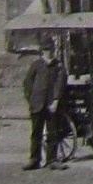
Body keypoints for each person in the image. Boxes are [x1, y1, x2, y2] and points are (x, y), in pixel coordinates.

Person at [23, 38, 68, 170]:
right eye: (46, 50)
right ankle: (34, 159)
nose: (49, 52)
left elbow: (60, 84)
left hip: (51, 105)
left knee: (52, 132)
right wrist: (31, 98)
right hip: (37, 103)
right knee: (36, 132)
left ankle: (51, 160)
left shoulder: (58, 65)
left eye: (51, 49)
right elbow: (27, 83)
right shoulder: (36, 65)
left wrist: (55, 100)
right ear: (42, 51)